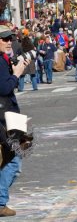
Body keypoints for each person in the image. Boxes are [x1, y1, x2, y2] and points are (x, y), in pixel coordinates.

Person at [0, 25, 29, 216]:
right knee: (14, 159)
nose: (9, 42)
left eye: (10, 38)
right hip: (4, 118)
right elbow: (3, 88)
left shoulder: (3, 60)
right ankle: (0, 203)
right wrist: (16, 73)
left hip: (7, 116)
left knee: (10, 157)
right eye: (4, 39)